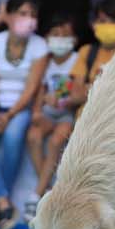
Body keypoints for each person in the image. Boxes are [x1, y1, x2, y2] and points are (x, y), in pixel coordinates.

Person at [0, 0, 49, 229]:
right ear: (8, 16)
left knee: (13, 136)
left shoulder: (40, 45)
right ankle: (4, 202)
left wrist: (9, 115)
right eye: (23, 13)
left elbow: (31, 88)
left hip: (21, 108)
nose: (29, 19)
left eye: (33, 15)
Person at [27, 13, 79, 195]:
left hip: (67, 114)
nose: (60, 39)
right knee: (33, 136)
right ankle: (48, 188)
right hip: (48, 113)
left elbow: (71, 93)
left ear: (74, 39)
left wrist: (59, 99)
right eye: (55, 34)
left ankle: (38, 193)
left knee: (56, 141)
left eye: (66, 35)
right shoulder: (45, 61)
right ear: (46, 38)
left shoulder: (77, 60)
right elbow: (40, 89)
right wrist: (36, 111)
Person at [66, 0, 115, 115]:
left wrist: (90, 87)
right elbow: (75, 96)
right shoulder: (86, 51)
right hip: (85, 120)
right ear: (93, 24)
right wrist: (110, 87)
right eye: (102, 21)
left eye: (114, 21)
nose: (108, 26)